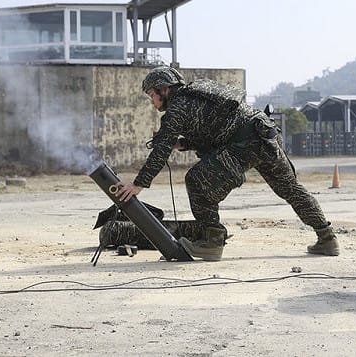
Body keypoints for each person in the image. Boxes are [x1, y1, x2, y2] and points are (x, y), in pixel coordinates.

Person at [115, 67, 340, 261]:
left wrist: (138, 184)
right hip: (264, 134)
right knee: (291, 189)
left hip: (244, 143)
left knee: (197, 180)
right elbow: (214, 131)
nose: (152, 102)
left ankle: (213, 240)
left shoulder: (177, 107)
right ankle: (327, 237)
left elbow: (160, 151)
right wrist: (181, 144)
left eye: (152, 95)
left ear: (165, 89)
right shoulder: (196, 96)